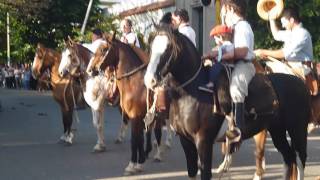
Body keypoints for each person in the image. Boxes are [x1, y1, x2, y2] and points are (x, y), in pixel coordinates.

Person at [254, 8, 315, 94]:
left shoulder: (302, 33)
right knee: (266, 68)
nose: (283, 26)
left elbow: (284, 53)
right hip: (290, 67)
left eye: (284, 22)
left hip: (302, 69)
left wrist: (263, 51)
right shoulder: (291, 32)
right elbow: (276, 34)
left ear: (291, 20)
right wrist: (271, 18)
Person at [220, 0, 255, 143]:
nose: (223, 13)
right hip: (232, 64)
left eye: (224, 10)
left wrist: (222, 55)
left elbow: (243, 51)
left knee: (236, 88)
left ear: (230, 9)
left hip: (244, 64)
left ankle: (238, 129)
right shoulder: (233, 28)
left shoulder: (243, 26)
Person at [199, 24, 234, 93]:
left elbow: (230, 55)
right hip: (223, 65)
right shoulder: (222, 46)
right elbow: (214, 53)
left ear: (221, 37)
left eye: (215, 38)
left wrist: (219, 58)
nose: (215, 41)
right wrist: (204, 57)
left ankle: (211, 84)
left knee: (215, 67)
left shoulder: (228, 45)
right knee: (210, 66)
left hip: (228, 66)